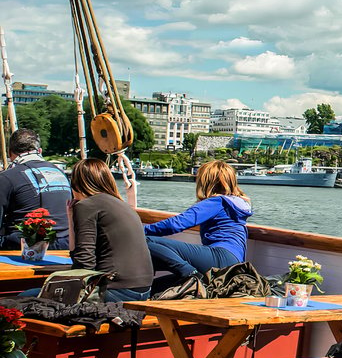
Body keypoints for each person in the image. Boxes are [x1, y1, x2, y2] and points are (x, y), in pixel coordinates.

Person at [143, 160, 252, 278]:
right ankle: (190, 275)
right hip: (234, 264)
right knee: (158, 286)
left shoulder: (217, 202)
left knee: (145, 241)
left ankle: (190, 274)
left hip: (220, 256)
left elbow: (176, 224)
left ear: (207, 182)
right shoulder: (235, 203)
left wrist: (139, 231)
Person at [67, 158, 155, 301]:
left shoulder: (86, 205)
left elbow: (84, 262)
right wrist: (71, 218)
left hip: (114, 290)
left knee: (24, 298)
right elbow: (79, 254)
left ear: (76, 183)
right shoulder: (120, 203)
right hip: (142, 291)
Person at [0, 128, 72, 249]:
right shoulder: (59, 172)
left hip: (26, 245)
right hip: (66, 241)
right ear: (39, 151)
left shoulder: (7, 177)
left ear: (9, 152)